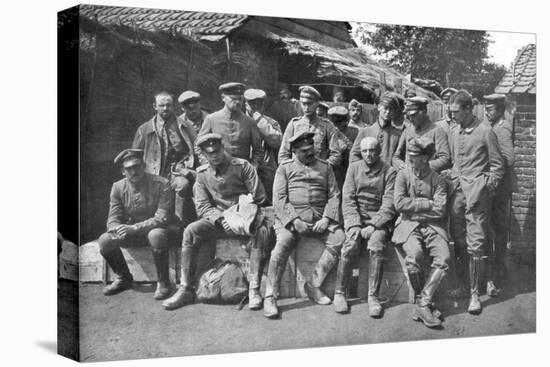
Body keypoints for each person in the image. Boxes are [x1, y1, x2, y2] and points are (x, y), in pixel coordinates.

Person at [162, 134, 270, 311]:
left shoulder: (243, 167)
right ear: (203, 154)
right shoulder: (203, 174)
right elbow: (202, 205)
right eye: (210, 153)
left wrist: (237, 217)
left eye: (217, 151)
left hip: (244, 220)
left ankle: (254, 289)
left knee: (262, 230)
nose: (215, 156)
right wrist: (220, 219)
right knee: (190, 231)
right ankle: (186, 288)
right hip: (219, 222)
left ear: (223, 148)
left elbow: (259, 197)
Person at [264, 131, 346, 318]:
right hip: (291, 221)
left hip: (319, 219)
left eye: (311, 149)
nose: (309, 154)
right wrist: (294, 220)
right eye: (303, 151)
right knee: (281, 247)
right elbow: (279, 199)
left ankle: (313, 285)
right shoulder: (284, 168)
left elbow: (334, 195)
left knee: (340, 238)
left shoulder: (325, 167)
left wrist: (326, 218)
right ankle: (270, 296)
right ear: (294, 151)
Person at [448, 90, 504, 314]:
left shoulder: (485, 131)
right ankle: (463, 285)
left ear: (468, 109)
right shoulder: (454, 131)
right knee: (459, 242)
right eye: (450, 113)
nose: (452, 117)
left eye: (456, 112)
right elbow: (455, 162)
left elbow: (498, 167)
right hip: (457, 196)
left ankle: (474, 294)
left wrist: (486, 189)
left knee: (477, 244)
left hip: (477, 197)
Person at [97, 149, 178, 300]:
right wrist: (116, 230)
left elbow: (162, 218)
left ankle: (163, 281)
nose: (134, 171)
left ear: (144, 166)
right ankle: (124, 278)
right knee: (105, 240)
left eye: (137, 166)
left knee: (156, 235)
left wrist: (134, 228)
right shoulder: (118, 187)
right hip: (132, 233)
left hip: (159, 232)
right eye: (129, 168)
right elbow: (113, 218)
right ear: (123, 171)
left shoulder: (161, 184)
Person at [334, 137, 396, 316]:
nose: (368, 154)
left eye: (372, 150)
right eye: (365, 151)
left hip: (378, 222)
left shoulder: (389, 172)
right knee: (349, 244)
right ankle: (339, 293)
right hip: (357, 219)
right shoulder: (353, 169)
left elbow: (389, 204)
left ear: (379, 152)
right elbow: (348, 199)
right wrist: (354, 225)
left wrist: (375, 225)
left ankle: (373, 296)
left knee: (376, 246)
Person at [392, 138, 450, 328]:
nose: (409, 159)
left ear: (425, 158)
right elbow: (399, 204)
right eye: (409, 155)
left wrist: (414, 209)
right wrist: (426, 204)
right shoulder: (403, 176)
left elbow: (440, 210)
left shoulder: (438, 180)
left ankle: (423, 303)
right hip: (408, 226)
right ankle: (424, 303)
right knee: (414, 256)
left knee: (444, 258)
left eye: (414, 157)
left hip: (433, 227)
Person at [132, 92, 197, 227]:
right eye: (161, 105)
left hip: (176, 172)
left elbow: (196, 149)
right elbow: (135, 155)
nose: (165, 108)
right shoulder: (144, 129)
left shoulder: (184, 126)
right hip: (153, 173)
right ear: (155, 106)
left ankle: (180, 225)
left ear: (174, 106)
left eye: (168, 105)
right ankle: (152, 226)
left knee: (183, 185)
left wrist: (186, 167)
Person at [483, 93, 517, 296]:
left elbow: (509, 158)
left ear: (500, 109)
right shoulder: (496, 125)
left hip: (499, 188)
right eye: (486, 109)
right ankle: (499, 268)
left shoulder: (502, 127)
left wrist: (492, 174)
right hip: (498, 186)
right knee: (497, 228)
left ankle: (498, 269)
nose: (487, 112)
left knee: (497, 228)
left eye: (490, 109)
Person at [197, 82, 264, 168]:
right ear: (223, 98)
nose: (237, 102)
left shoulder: (250, 122)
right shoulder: (211, 119)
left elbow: (258, 151)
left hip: (242, 172)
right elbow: (198, 146)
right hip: (217, 170)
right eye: (233, 99)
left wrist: (253, 167)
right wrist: (207, 164)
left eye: (240, 99)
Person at [279, 85, 342, 169]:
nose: (306, 107)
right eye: (303, 104)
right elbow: (283, 155)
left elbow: (336, 156)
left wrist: (321, 168)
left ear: (317, 103)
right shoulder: (293, 124)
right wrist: (292, 170)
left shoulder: (327, 126)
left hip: (319, 176)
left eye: (310, 104)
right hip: (296, 176)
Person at [393, 96, 451, 173]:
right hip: (408, 179)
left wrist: (422, 167)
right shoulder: (408, 130)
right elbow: (396, 156)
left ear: (424, 111)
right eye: (408, 116)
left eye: (413, 115)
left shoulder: (437, 131)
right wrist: (400, 165)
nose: (410, 119)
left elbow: (445, 158)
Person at [244, 88, 283, 202]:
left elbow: (276, 141)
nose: (256, 106)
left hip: (266, 170)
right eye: (253, 103)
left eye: (259, 103)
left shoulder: (271, 123)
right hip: (244, 168)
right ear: (246, 104)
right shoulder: (239, 121)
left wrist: (259, 120)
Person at [349, 92, 405, 166]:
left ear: (394, 112)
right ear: (379, 107)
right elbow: (354, 156)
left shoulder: (398, 135)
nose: (388, 112)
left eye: (391, 109)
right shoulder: (365, 132)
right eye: (386, 108)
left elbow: (400, 158)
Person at [328, 105, 358, 188]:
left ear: (346, 121)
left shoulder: (354, 133)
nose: (336, 126)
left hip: (348, 170)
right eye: (333, 123)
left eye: (339, 122)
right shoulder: (327, 132)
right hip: (332, 171)